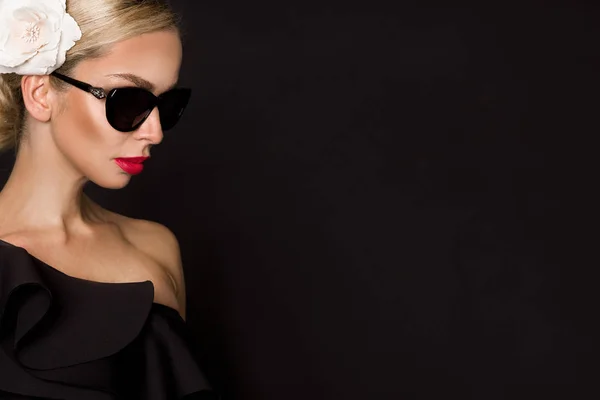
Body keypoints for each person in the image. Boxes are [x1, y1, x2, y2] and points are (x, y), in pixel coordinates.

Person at [0, 0, 216, 398]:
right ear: (41, 93)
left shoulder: (155, 247)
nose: (155, 132)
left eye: (167, 106)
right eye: (128, 102)